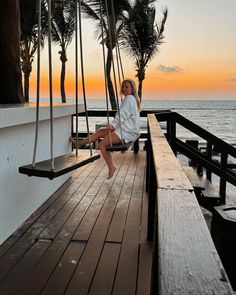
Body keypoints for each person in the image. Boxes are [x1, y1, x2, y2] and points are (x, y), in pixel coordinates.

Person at [70, 79, 141, 179]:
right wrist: (114, 125)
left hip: (126, 133)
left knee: (101, 145)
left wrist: (113, 124)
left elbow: (122, 114)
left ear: (132, 89)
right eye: (123, 86)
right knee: (100, 132)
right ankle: (80, 143)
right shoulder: (132, 99)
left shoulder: (129, 98)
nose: (124, 88)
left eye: (127, 87)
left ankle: (111, 167)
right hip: (126, 130)